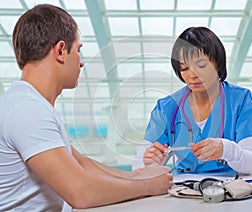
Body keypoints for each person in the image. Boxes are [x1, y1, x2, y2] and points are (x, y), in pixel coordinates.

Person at [0, 4, 173, 211]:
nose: (81, 63)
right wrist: (148, 186)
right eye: (79, 50)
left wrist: (136, 175)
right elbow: (81, 192)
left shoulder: (29, 103)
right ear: (61, 51)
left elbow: (82, 164)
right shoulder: (27, 110)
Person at [134, 26, 252, 175]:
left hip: (229, 189)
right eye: (184, 68)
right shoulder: (167, 107)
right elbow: (138, 165)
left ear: (217, 63)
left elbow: (250, 163)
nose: (192, 75)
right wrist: (150, 164)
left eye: (201, 65)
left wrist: (226, 149)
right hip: (183, 190)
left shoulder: (241, 100)